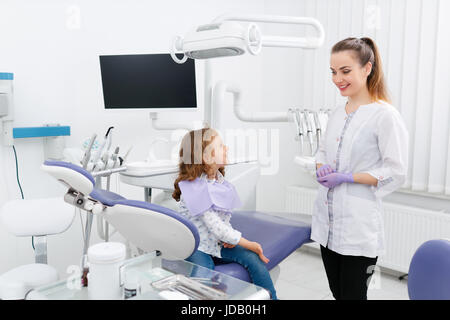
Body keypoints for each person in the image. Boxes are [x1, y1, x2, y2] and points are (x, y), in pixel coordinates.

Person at [311, 37, 409, 300]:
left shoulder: (384, 115)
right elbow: (322, 151)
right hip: (327, 225)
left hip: (358, 227)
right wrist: (321, 167)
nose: (337, 79)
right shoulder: (336, 113)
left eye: (345, 71)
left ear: (367, 68)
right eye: (333, 72)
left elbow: (395, 170)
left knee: (353, 296)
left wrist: (348, 177)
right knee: (338, 293)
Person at [172, 128, 278, 300]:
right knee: (203, 277)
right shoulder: (193, 188)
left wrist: (230, 240)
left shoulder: (220, 182)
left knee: (253, 259)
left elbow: (223, 221)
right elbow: (216, 226)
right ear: (206, 158)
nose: (226, 148)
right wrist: (248, 243)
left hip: (216, 242)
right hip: (197, 246)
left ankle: (272, 298)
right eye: (221, 146)